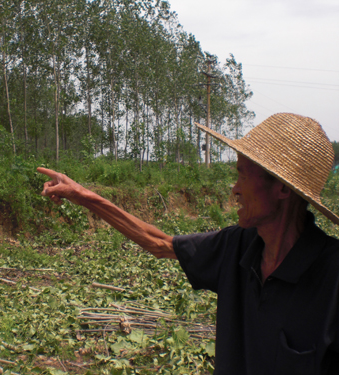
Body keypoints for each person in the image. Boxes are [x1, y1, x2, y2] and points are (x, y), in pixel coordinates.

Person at [37, 113, 339, 375]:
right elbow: (159, 243)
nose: (234, 189)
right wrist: (81, 194)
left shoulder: (332, 277)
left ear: (283, 189)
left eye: (242, 176)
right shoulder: (237, 247)